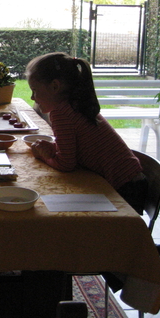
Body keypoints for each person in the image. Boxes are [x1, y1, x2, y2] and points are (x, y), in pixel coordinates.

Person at [25, 52, 147, 214]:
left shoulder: (61, 113)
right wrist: (53, 148)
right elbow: (76, 147)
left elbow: (66, 164)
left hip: (124, 190)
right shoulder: (75, 105)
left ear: (55, 86)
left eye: (34, 90)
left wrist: (43, 155)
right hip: (135, 181)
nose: (33, 97)